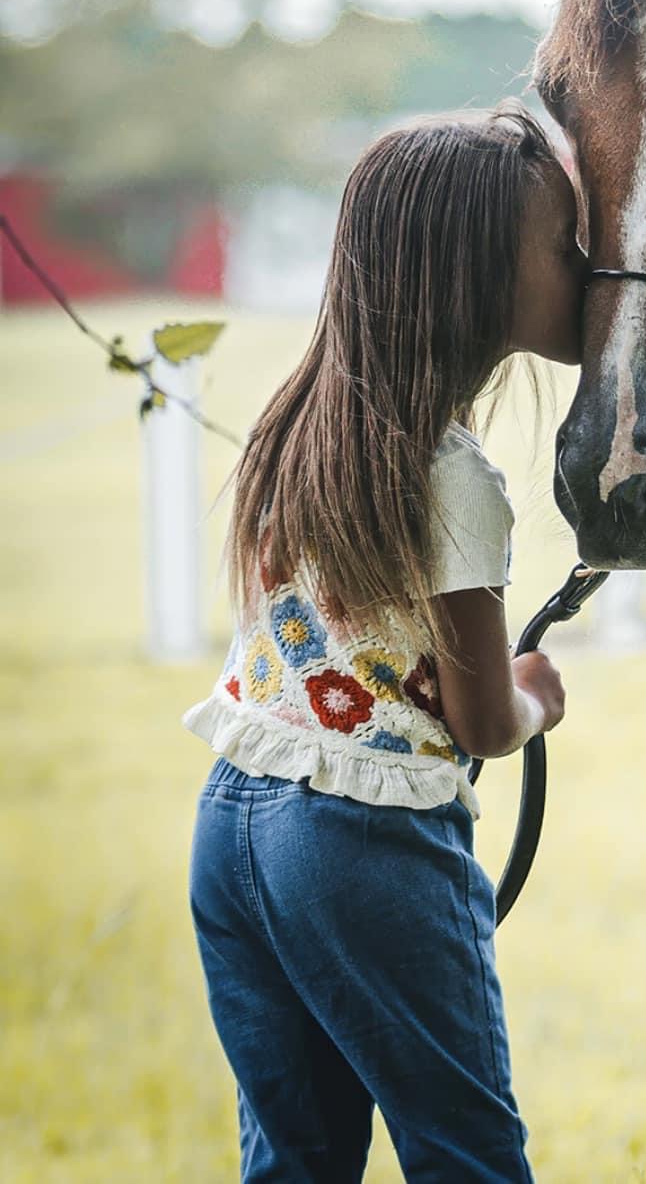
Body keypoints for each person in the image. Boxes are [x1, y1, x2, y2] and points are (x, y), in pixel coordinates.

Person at [183, 107, 586, 1183]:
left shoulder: (298, 423)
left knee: (296, 1159)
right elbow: (483, 721)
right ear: (479, 278)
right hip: (368, 847)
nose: (587, 266)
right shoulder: (457, 479)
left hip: (232, 824)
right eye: (565, 247)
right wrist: (538, 692)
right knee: (467, 1155)